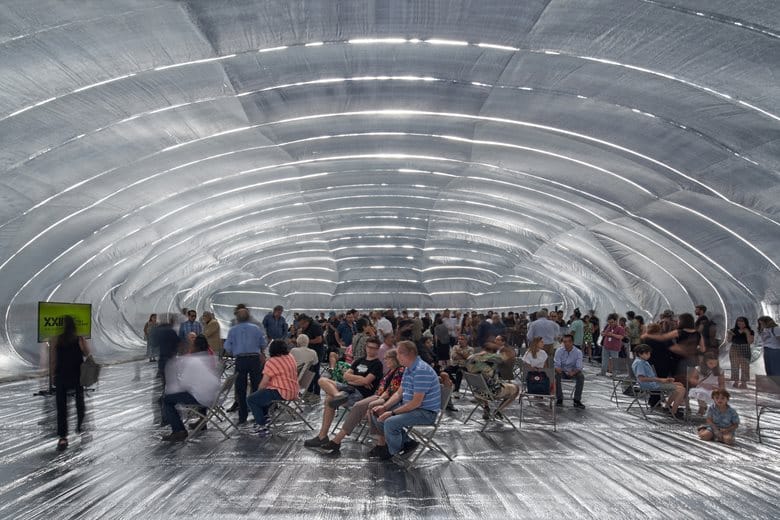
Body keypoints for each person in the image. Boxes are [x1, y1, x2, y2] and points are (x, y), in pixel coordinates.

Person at [316, 349, 405, 454]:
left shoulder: (398, 370)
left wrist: (366, 385)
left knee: (359, 406)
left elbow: (390, 390)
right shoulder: (390, 371)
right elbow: (347, 377)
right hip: (376, 395)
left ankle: (337, 440)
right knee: (330, 397)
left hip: (383, 398)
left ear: (394, 359)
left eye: (387, 358)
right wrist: (361, 381)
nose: (385, 360)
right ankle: (331, 437)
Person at [369, 341, 441, 461]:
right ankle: (406, 442)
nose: (397, 357)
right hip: (412, 407)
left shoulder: (421, 371)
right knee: (376, 413)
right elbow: (399, 393)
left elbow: (416, 403)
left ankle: (393, 451)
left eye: (398, 354)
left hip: (425, 412)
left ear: (409, 354)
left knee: (390, 422)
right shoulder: (409, 368)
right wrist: (385, 407)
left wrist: (392, 413)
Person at [160, 339, 220, 442]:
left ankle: (179, 431)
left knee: (167, 400)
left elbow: (184, 384)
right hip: (213, 395)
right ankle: (201, 422)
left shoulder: (191, 361)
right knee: (175, 396)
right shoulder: (204, 358)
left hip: (203, 398)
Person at [51, 315, 90, 451]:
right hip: (77, 375)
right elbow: (87, 353)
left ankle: (63, 437)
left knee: (61, 406)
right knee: (80, 402)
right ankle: (80, 426)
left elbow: (54, 359)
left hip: (61, 375)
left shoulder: (56, 339)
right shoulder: (79, 339)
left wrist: (52, 375)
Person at [246, 340, 299, 436]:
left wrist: (258, 391)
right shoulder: (290, 357)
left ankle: (261, 424)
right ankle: (265, 418)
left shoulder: (272, 362)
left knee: (251, 399)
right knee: (263, 395)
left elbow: (264, 382)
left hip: (282, 392)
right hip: (294, 390)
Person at [223, 308, 267, 425]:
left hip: (241, 360)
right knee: (256, 387)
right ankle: (259, 414)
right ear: (249, 317)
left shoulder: (233, 330)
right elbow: (263, 343)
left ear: (237, 318)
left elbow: (227, 347)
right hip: (254, 359)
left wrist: (234, 350)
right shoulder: (256, 329)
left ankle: (242, 416)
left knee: (240, 388)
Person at [464, 342, 520, 419]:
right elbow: (509, 355)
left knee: (485, 382)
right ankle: (498, 411)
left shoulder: (471, 358)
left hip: (476, 391)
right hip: (493, 392)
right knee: (516, 388)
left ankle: (486, 407)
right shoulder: (492, 358)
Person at [632, 344, 686, 418]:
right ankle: (674, 412)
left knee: (679, 384)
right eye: (647, 353)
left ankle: (667, 407)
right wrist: (660, 380)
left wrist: (663, 380)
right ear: (640, 353)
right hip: (650, 385)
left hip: (653, 383)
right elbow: (641, 378)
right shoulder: (640, 363)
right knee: (681, 390)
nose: (649, 355)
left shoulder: (642, 361)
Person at [554, 334, 585, 408]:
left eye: (569, 341)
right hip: (562, 371)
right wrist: (558, 369)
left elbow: (579, 366)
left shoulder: (578, 352)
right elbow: (556, 364)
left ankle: (577, 400)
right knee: (555, 375)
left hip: (573, 371)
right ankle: (559, 398)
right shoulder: (559, 351)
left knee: (581, 376)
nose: (567, 344)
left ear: (572, 342)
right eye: (565, 342)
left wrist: (574, 372)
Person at [726, 317, 754, 389]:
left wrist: (747, 333)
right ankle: (736, 381)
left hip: (745, 348)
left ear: (745, 323)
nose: (740, 323)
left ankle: (744, 383)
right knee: (734, 365)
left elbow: (750, 342)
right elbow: (729, 341)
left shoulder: (750, 331)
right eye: (739, 321)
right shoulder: (733, 330)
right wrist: (729, 335)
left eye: (742, 321)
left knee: (745, 366)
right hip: (734, 348)